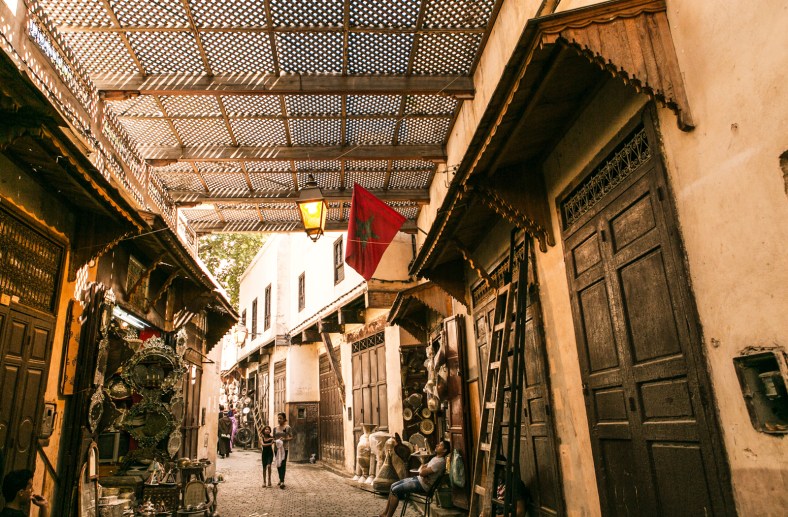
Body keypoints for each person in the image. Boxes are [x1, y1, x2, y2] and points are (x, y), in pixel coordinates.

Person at [377, 439, 450, 517]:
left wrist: (423, 471)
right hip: (419, 480)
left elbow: (421, 471)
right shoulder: (436, 458)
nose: (437, 445)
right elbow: (422, 467)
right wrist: (424, 471)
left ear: (444, 450)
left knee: (395, 490)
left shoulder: (440, 462)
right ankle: (385, 514)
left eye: (440, 445)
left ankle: (388, 516)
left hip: (424, 486)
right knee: (392, 486)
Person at [272, 412, 292, 489]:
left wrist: (285, 439)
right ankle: (280, 479)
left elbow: (291, 437)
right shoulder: (275, 428)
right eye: (278, 418)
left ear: (284, 419)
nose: (279, 420)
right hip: (277, 448)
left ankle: (282, 481)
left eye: (280, 418)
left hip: (284, 448)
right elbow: (273, 438)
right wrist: (275, 441)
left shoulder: (287, 427)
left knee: (283, 464)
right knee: (278, 463)